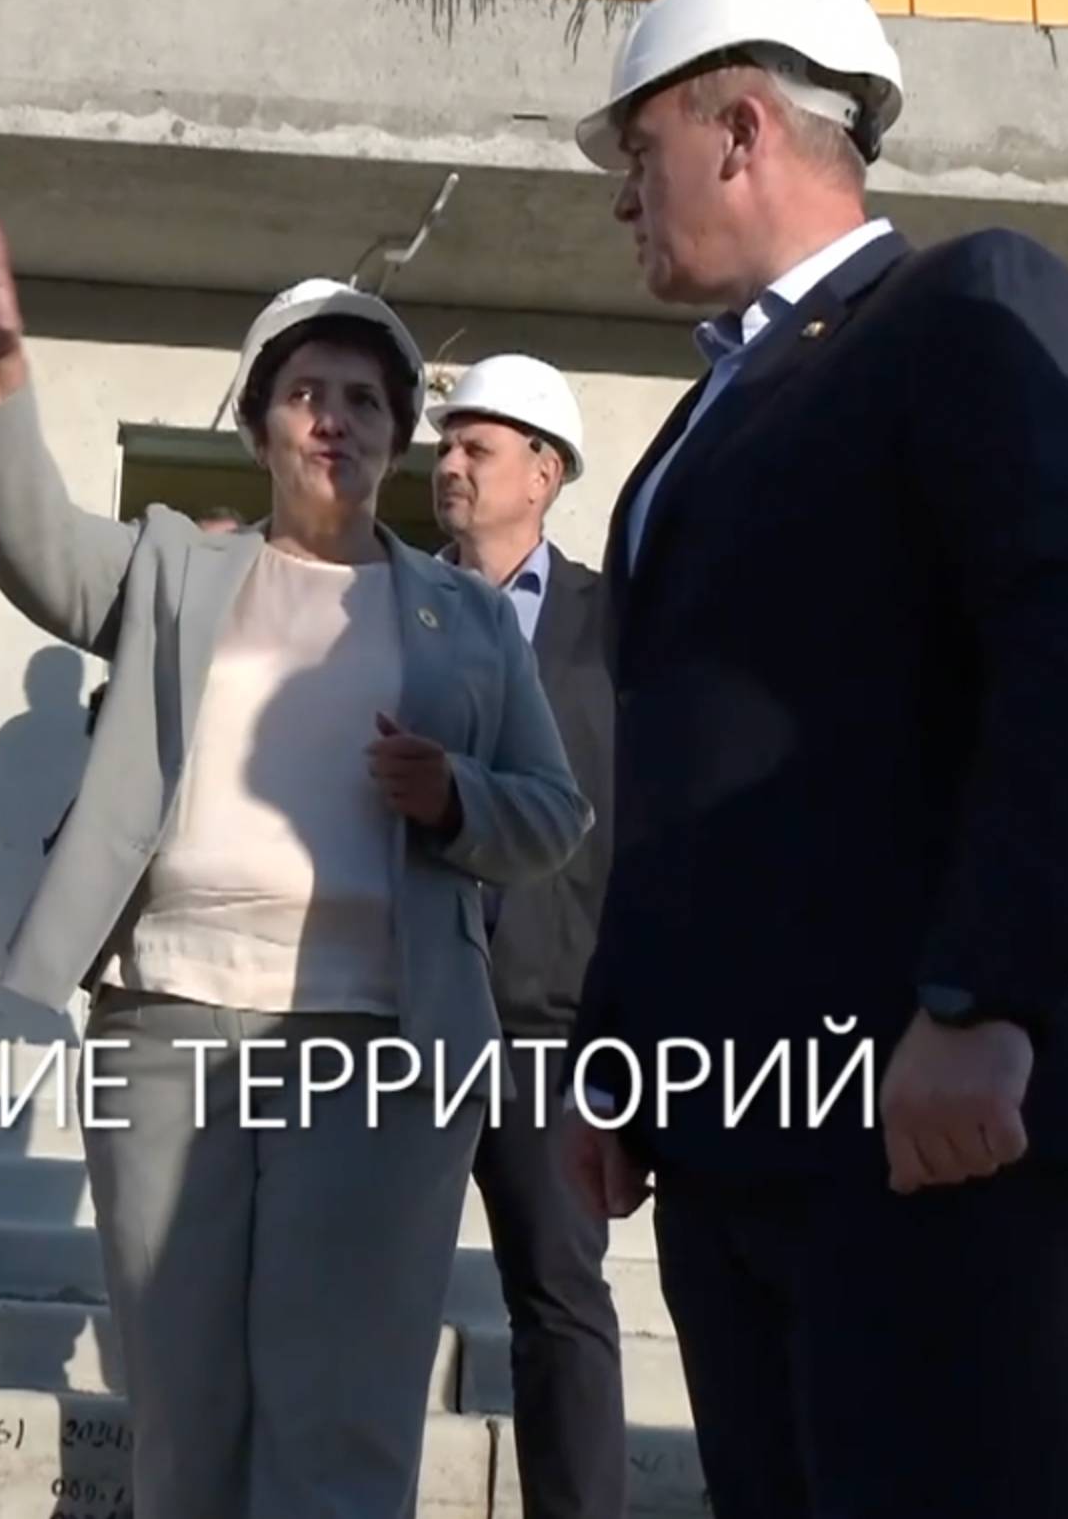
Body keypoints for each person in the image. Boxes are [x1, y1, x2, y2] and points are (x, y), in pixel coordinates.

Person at [559, 0, 1068, 1519]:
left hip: (925, 1112)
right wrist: (618, 1056)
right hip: (735, 1122)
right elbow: (680, 780)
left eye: (640, 152)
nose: (624, 198)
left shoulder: (968, 304)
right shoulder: (696, 424)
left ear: (740, 128)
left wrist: (987, 996)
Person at [0, 191, 593, 1519]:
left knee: (345, 1417)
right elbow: (39, 552)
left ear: (398, 436)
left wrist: (453, 796)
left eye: (365, 401)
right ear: (261, 423)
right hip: (167, 1027)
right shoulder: (175, 570)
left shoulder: (462, 618)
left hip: (381, 1046)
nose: (335, 418)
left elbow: (554, 815)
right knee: (186, 1410)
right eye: (306, 393)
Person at [428, 354, 625, 1519]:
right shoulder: (386, 605)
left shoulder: (616, 627)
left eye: (477, 447)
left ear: (544, 472)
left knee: (560, 1299)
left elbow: (639, 823)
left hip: (553, 1022)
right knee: (357, 1293)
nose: (449, 464)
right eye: (446, 446)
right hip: (400, 1010)